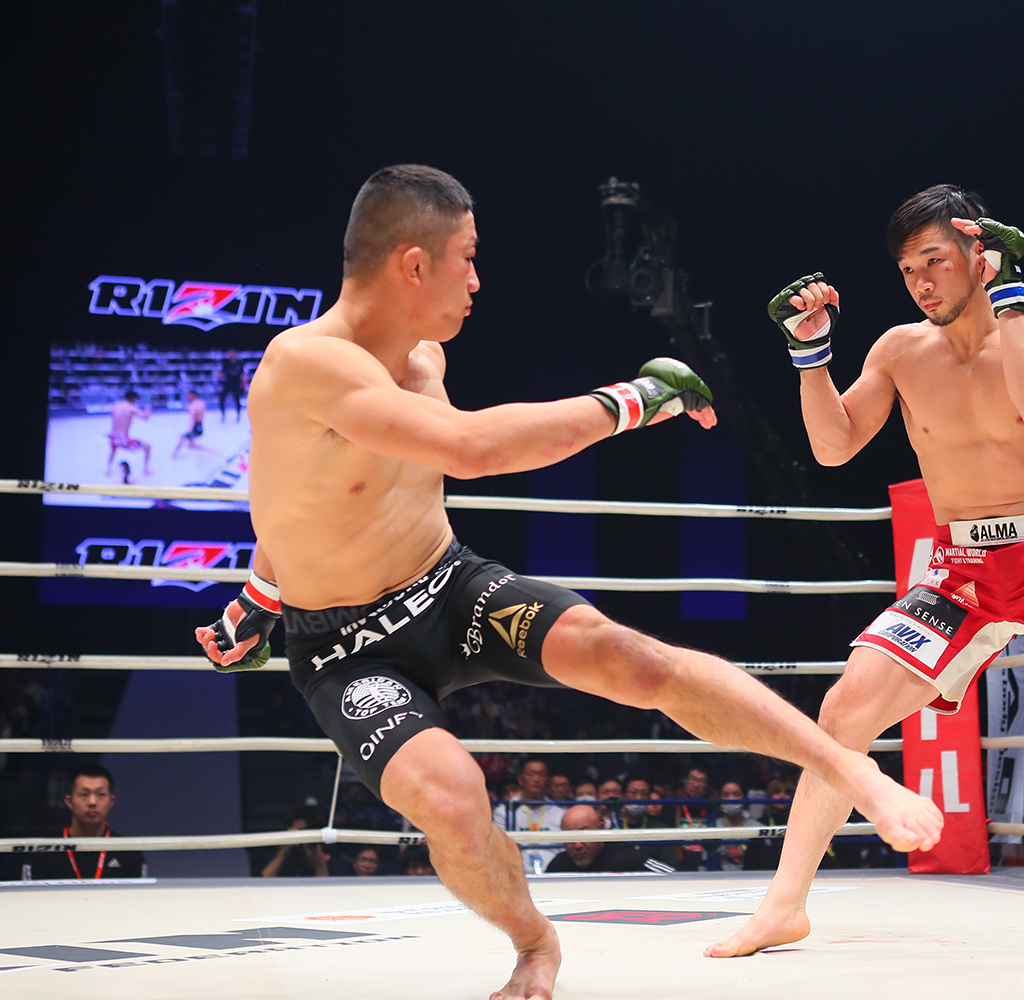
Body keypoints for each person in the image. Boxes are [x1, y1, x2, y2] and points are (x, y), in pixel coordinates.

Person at [195, 164, 941, 1000]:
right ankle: (534, 942)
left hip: (447, 587)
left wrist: (254, 596)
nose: (477, 280)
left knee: (630, 656)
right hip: (348, 645)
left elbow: (306, 494)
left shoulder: (423, 357)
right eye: (467, 258)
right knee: (451, 796)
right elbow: (471, 450)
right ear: (414, 264)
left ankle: (853, 772)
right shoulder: (306, 363)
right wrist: (635, 399)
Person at [710, 184, 1024, 958]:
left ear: (979, 252)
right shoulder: (900, 351)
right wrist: (810, 354)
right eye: (907, 269)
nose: (921, 283)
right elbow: (833, 447)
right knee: (843, 712)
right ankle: (784, 904)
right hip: (957, 568)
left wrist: (1010, 295)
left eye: (935, 260)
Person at [25, 764, 144, 881]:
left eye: (101, 794)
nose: (92, 802)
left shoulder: (128, 852)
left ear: (111, 801)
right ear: (69, 801)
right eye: (84, 794)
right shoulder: (44, 852)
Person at [545, 804, 673, 874]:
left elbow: (672, 876)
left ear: (601, 828)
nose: (577, 845)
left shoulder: (628, 859)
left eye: (584, 835)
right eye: (570, 837)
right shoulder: (558, 866)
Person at [497, 758, 564, 875]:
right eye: (531, 774)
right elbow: (500, 849)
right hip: (515, 873)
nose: (536, 779)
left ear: (548, 780)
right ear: (520, 779)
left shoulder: (560, 813)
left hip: (553, 873)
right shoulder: (504, 811)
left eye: (541, 774)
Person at [105, 389, 151, 478]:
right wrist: (148, 407)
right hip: (123, 439)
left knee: (113, 450)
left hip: (113, 436)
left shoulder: (115, 405)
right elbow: (145, 417)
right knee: (147, 447)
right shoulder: (131, 407)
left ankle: (108, 469)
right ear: (133, 399)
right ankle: (146, 470)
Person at [714, 780, 753, 872]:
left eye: (736, 794)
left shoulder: (756, 827)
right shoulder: (713, 826)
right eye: (726, 795)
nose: (731, 799)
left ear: (744, 797)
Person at [172, 389, 208, 459]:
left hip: (196, 427)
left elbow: (194, 415)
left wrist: (192, 427)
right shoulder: (198, 403)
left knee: (183, 437)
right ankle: (210, 452)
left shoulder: (196, 404)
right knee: (190, 444)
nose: (187, 398)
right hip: (197, 426)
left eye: (188, 396)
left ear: (193, 395)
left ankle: (174, 454)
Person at [216, 348, 246, 422]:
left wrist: (244, 384)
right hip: (227, 383)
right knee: (222, 399)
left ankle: (238, 414)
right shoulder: (224, 362)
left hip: (236, 383)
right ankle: (223, 414)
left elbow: (244, 374)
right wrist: (217, 381)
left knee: (237, 400)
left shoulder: (240, 363)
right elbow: (219, 372)